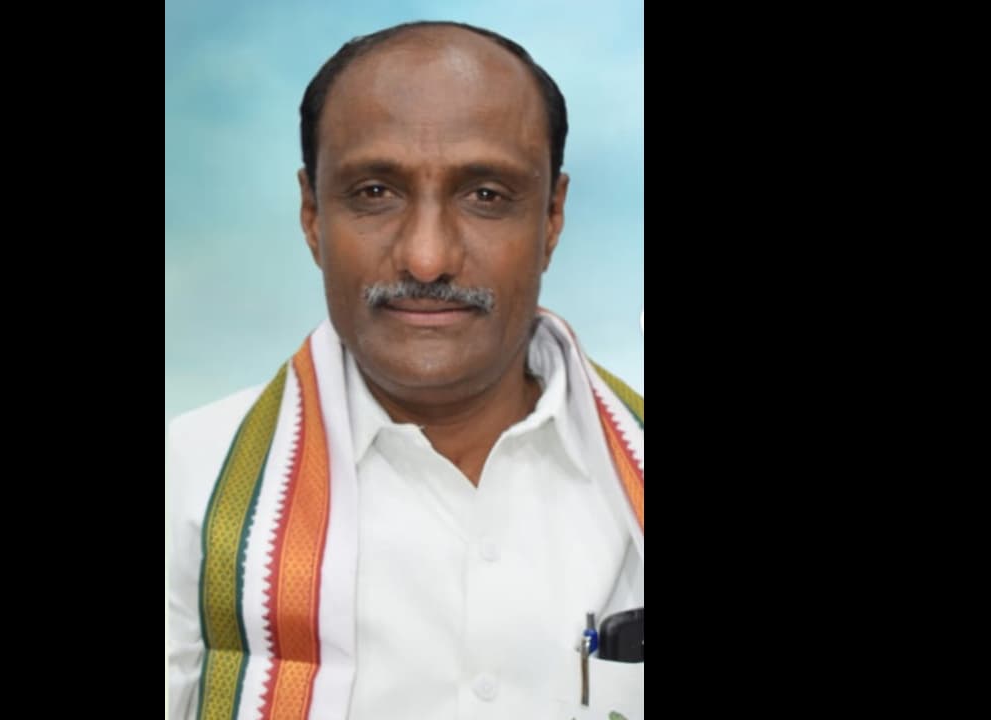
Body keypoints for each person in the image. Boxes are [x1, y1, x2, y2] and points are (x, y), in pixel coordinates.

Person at [167, 20, 643, 720]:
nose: (426, 258)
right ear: (311, 214)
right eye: (374, 192)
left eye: (486, 195)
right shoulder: (183, 486)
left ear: (551, 217)